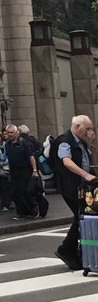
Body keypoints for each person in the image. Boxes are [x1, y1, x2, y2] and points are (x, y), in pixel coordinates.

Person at [52, 114, 97, 271]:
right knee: (80, 217)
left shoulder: (81, 142)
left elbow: (87, 160)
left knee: (82, 217)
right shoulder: (65, 141)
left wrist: (90, 142)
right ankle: (66, 249)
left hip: (83, 186)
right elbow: (66, 161)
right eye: (87, 128)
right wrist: (86, 175)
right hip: (72, 186)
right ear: (78, 127)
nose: (89, 131)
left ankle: (72, 250)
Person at [4, 124, 39, 219]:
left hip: (25, 169)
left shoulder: (23, 143)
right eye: (8, 132)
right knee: (15, 192)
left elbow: (31, 157)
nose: (9, 134)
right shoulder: (7, 144)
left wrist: (35, 170)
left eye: (11, 132)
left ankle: (33, 210)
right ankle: (21, 213)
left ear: (17, 133)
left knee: (24, 191)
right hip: (14, 170)